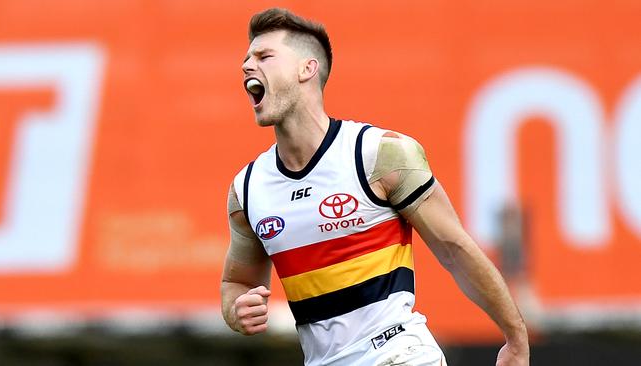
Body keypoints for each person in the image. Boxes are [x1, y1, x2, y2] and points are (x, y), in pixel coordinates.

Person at [221, 7, 529, 366]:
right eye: (246, 58)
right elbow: (236, 283)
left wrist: (515, 338)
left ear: (308, 69)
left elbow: (455, 249)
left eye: (263, 56)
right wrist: (235, 311)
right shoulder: (248, 189)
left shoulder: (378, 154)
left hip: (399, 354)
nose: (246, 66)